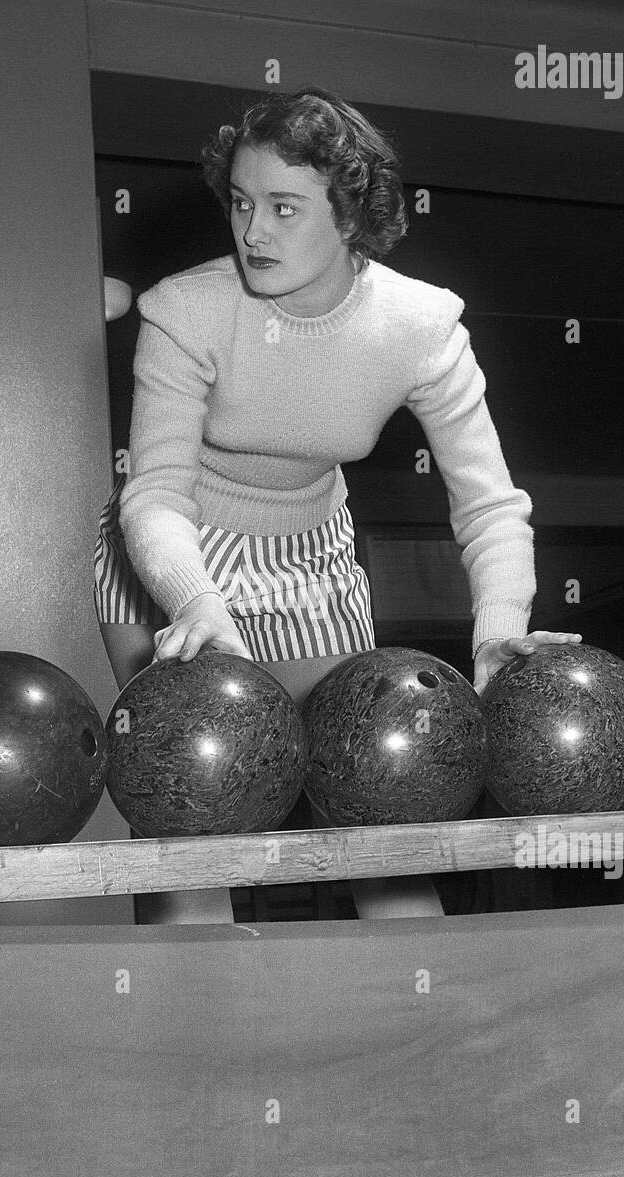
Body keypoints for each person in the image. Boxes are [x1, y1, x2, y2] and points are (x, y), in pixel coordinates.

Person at [94, 87, 579, 924]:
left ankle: (423, 1028)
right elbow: (155, 493)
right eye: (242, 204)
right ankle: (202, 1040)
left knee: (374, 814)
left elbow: (490, 506)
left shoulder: (420, 327)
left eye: (284, 208)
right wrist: (195, 599)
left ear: (351, 215)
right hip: (170, 557)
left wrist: (498, 631)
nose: (253, 232)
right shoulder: (185, 310)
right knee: (195, 817)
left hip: (310, 556)